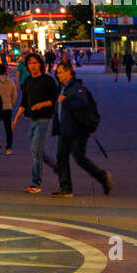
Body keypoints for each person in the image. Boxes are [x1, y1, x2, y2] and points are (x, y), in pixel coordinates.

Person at [50, 61, 112, 198]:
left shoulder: (77, 88)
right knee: (61, 158)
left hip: (76, 131)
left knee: (79, 158)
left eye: (59, 72)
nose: (57, 75)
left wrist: (65, 101)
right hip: (64, 130)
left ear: (68, 72)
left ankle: (103, 177)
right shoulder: (63, 87)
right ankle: (65, 187)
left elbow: (81, 104)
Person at [12, 51, 58, 193]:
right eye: (30, 63)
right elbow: (24, 101)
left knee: (35, 150)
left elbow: (55, 99)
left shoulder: (48, 80)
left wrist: (41, 104)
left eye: (35, 63)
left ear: (40, 64)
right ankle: (58, 168)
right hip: (31, 119)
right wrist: (16, 118)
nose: (32, 66)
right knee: (37, 150)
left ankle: (35, 183)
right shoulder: (28, 81)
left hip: (44, 119)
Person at [0, 63, 17, 154]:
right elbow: (14, 95)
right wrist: (10, 103)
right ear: (5, 71)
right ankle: (9, 147)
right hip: (8, 107)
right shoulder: (10, 81)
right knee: (8, 128)